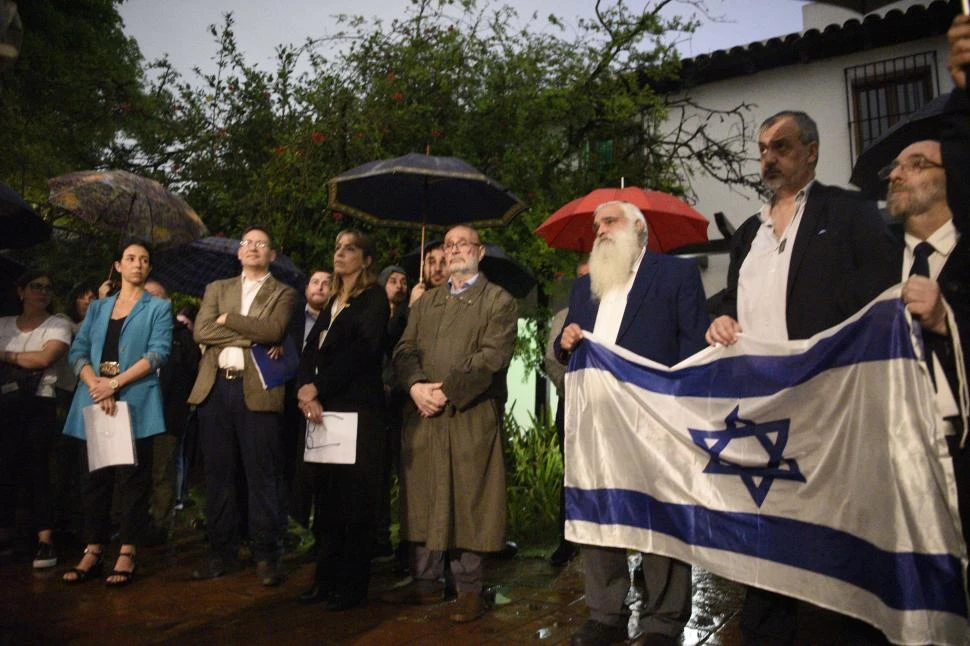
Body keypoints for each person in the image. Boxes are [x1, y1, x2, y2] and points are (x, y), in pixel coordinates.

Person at [705, 111, 897, 644]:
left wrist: (816, 344)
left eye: (781, 146)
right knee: (765, 534)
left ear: (810, 151)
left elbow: (882, 283)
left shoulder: (851, 212)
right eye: (763, 147)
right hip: (760, 412)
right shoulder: (749, 232)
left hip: (829, 407)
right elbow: (729, 303)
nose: (769, 156)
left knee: (838, 534)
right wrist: (717, 319)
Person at [555, 202, 709, 646]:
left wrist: (680, 412)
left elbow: (693, 347)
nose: (600, 231)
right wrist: (565, 343)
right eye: (596, 225)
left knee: (659, 518)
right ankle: (606, 613)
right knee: (598, 513)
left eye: (610, 221)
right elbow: (569, 345)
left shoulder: (674, 275)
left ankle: (663, 620)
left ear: (638, 228)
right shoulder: (585, 287)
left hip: (654, 421)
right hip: (595, 424)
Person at [385, 225, 517, 624]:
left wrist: (446, 391)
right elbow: (404, 349)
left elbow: (491, 357)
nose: (454, 249)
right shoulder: (427, 303)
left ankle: (469, 589)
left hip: (468, 414)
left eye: (462, 244)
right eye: (448, 244)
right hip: (423, 413)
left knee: (469, 497)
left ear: (479, 251)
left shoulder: (498, 300)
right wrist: (414, 386)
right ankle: (425, 582)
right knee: (424, 492)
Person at [188, 226, 296, 587]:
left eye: (260, 243)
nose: (252, 248)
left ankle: (267, 553)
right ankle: (222, 552)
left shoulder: (284, 292)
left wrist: (229, 321)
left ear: (272, 255)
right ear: (238, 253)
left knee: (262, 475)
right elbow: (201, 331)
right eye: (246, 243)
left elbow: (275, 331)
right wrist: (252, 333)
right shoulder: (217, 289)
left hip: (258, 391)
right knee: (219, 475)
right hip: (215, 389)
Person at [61, 239, 172, 586]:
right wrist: (96, 384)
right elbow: (77, 351)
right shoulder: (97, 308)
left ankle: (127, 551)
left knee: (132, 481)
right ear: (118, 265)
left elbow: (158, 353)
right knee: (94, 481)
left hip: (134, 399)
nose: (137, 264)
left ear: (149, 268)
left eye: (144, 259)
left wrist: (115, 384)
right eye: (130, 258)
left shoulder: (158, 308)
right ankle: (93, 549)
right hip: (92, 399)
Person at [885, 137, 970, 575]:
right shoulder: (871, 263)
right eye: (896, 167)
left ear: (951, 174)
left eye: (916, 164)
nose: (897, 174)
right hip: (889, 455)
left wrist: (945, 320)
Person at [296, 230, 389, 609]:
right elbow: (309, 350)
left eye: (349, 249)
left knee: (355, 501)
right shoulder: (334, 300)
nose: (340, 254)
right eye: (337, 248)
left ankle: (352, 586)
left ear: (366, 260)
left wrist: (316, 387)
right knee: (328, 498)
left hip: (356, 413)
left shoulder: (373, 300)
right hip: (323, 412)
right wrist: (306, 390)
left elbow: (361, 355)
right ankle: (325, 577)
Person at [0, 270, 72, 569]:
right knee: (5, 468)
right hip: (6, 404)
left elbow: (45, 359)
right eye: (35, 286)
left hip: (40, 403)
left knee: (38, 469)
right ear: (20, 292)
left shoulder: (59, 324)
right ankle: (7, 535)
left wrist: (6, 355)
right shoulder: (4, 324)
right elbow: (35, 356)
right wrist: (23, 355)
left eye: (47, 287)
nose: (42, 292)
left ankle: (45, 539)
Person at [143, 279, 199, 543]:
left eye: (158, 296)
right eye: (147, 295)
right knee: (130, 471)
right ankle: (127, 521)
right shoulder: (130, 330)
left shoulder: (181, 336)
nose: (153, 301)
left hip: (167, 413)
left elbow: (192, 372)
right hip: (132, 412)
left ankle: (159, 524)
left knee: (162, 471)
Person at [543, 255, 588, 567]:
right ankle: (567, 540)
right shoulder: (563, 316)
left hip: (607, 407)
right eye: (581, 277)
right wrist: (571, 385)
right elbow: (550, 360)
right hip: (571, 403)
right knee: (571, 472)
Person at [282, 269, 331, 536]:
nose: (320, 287)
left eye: (327, 283)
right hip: (286, 398)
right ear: (306, 288)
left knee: (309, 467)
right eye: (315, 282)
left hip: (318, 399)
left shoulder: (335, 319)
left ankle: (304, 523)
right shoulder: (289, 318)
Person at [376, 264, 409, 559]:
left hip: (401, 400)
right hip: (375, 403)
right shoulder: (373, 313)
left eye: (403, 281)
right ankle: (379, 534)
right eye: (393, 281)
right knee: (378, 472)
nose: (398, 286)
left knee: (403, 469)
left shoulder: (409, 315)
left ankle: (407, 539)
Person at [407, 241, 447, 306]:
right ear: (423, 266)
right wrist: (412, 306)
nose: (437, 269)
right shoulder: (405, 304)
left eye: (444, 262)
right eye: (431, 262)